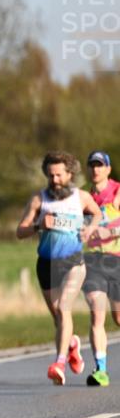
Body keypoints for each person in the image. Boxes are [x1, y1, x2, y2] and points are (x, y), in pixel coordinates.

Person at [16, 151, 101, 385]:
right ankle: (72, 344)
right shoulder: (39, 199)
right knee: (58, 319)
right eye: (51, 175)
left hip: (73, 262)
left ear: (70, 174)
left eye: (59, 175)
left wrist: (90, 228)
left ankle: (59, 363)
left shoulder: (80, 197)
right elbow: (19, 231)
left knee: (64, 309)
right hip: (46, 264)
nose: (54, 180)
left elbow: (97, 213)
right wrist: (37, 225)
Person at [81, 150, 120, 387]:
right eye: (92, 165)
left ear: (108, 169)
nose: (96, 169)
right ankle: (101, 370)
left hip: (117, 259)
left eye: (100, 165)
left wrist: (111, 232)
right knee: (96, 312)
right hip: (93, 261)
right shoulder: (83, 198)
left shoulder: (117, 192)